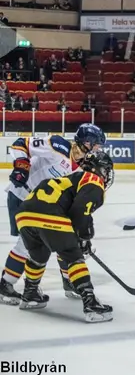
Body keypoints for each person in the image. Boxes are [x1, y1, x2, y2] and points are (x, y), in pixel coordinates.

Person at [0, 123, 106, 305]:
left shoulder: (80, 168)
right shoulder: (58, 145)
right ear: (86, 142)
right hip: (22, 195)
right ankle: (5, 285)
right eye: (96, 144)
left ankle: (67, 281)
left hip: (41, 205)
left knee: (62, 237)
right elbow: (20, 143)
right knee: (28, 245)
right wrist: (21, 166)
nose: (97, 149)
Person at [16, 150, 115, 323]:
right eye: (105, 170)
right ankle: (90, 303)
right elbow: (80, 211)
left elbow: (71, 209)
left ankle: (30, 294)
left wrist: (80, 235)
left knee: (38, 256)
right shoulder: (93, 180)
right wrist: (83, 237)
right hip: (49, 213)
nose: (106, 175)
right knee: (73, 257)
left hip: (25, 215)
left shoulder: (71, 178)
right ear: (99, 169)